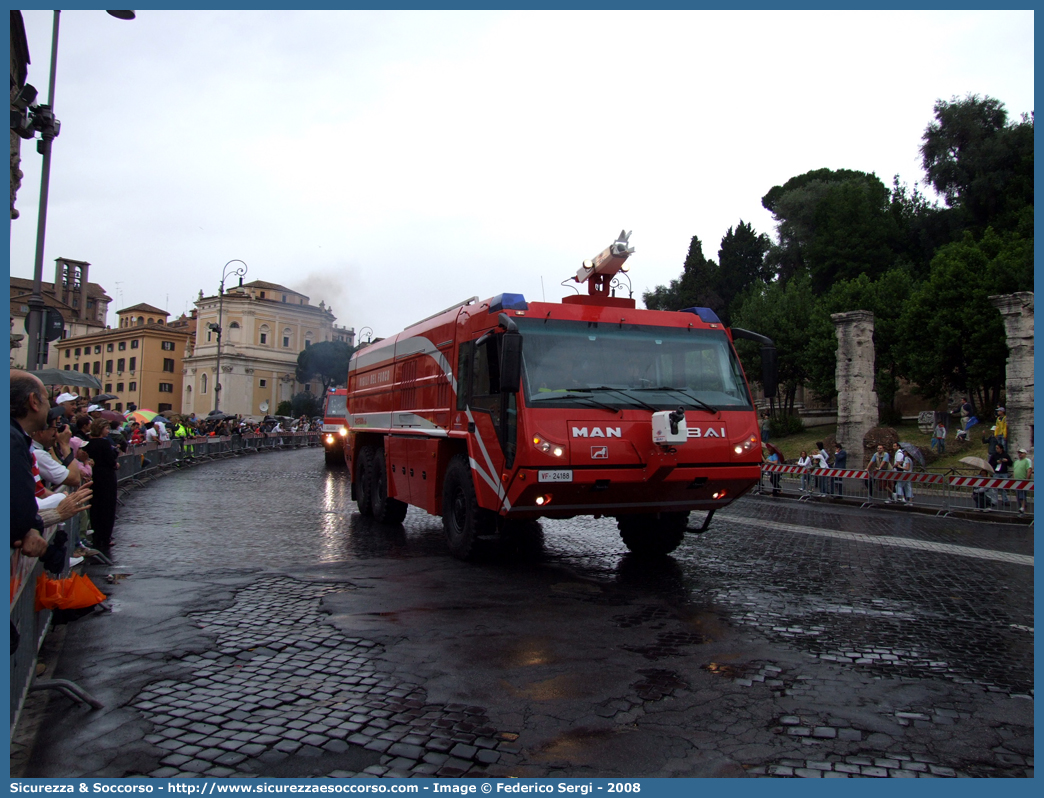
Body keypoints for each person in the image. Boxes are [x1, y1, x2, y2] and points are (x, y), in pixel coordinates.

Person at [83, 419, 120, 553]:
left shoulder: (88, 444)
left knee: (95, 507)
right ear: (100, 429)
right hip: (106, 477)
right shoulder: (104, 444)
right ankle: (105, 537)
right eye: (106, 428)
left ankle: (96, 536)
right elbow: (110, 460)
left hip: (94, 476)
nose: (108, 431)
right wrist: (115, 463)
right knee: (107, 507)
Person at [990, 443, 1013, 508]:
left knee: (1004, 487)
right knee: (994, 488)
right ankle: (994, 501)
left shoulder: (1005, 455)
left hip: (1004, 473)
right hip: (996, 473)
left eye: (997, 448)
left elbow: (1011, 463)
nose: (996, 449)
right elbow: (990, 463)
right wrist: (996, 462)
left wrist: (1006, 461)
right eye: (996, 448)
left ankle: (1005, 500)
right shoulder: (994, 455)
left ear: (1001, 449)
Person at [1013, 448, 1033, 515]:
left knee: (1022, 495)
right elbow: (1014, 471)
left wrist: (1026, 480)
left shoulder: (1027, 461)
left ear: (1025, 454)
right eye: (1019, 453)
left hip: (1023, 480)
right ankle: (1023, 511)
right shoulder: (1016, 462)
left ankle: (1023, 508)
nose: (1020, 454)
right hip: (1017, 481)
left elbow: (1029, 470)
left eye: (1021, 453)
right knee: (1018, 496)